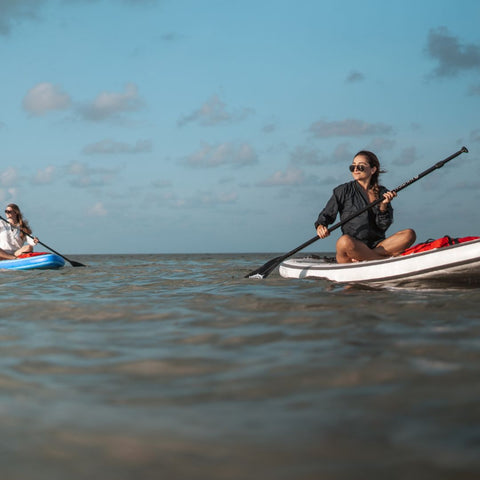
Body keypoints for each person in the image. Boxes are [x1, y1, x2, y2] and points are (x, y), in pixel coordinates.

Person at [315, 150, 416, 263]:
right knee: (344, 241)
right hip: (353, 247)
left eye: (361, 166)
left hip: (378, 246)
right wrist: (321, 226)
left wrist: (383, 206)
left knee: (409, 234)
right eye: (353, 167)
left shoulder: (383, 193)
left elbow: (383, 226)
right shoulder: (342, 191)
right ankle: (383, 260)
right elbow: (325, 216)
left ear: (373, 170)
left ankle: (367, 257)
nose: (356, 169)